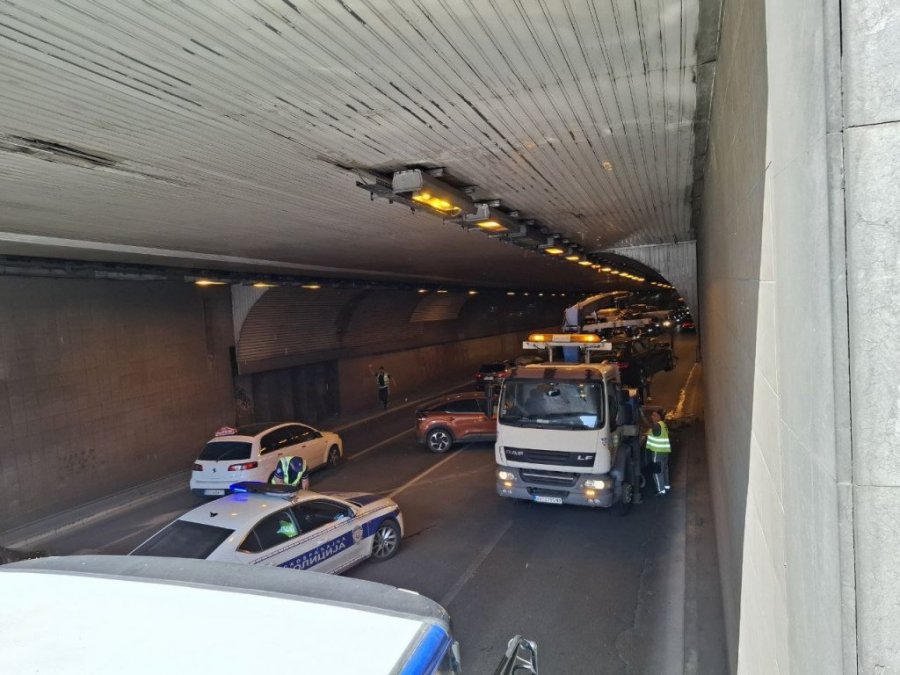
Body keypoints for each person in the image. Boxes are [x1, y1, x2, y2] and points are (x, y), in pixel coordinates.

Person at [646, 410, 672, 495]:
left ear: (659, 417)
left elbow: (651, 426)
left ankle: (661, 490)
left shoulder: (657, 425)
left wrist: (642, 417)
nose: (652, 417)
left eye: (654, 415)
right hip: (665, 451)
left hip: (657, 452)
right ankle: (666, 486)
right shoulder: (663, 424)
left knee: (657, 471)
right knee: (664, 469)